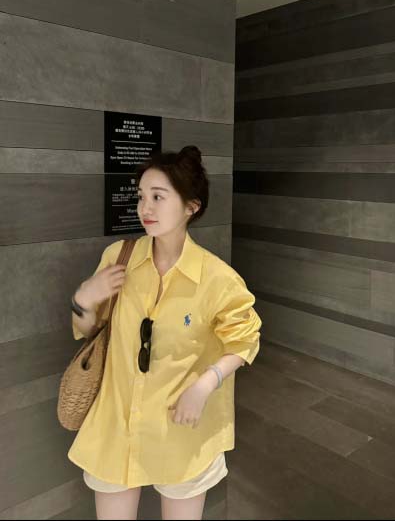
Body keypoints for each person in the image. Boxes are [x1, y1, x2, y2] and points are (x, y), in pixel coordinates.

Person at [68, 145, 262, 520]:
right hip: (115, 425)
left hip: (180, 430)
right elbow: (88, 332)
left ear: (191, 206)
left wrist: (205, 384)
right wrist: (83, 301)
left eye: (158, 197)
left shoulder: (217, 278)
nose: (146, 208)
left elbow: (245, 339)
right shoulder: (119, 258)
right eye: (141, 196)